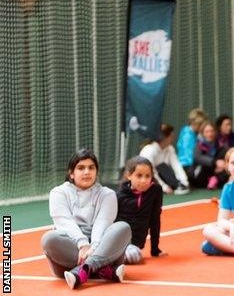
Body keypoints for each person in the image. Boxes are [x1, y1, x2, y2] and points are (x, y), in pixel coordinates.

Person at [41, 149, 131, 289]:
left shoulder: (107, 194)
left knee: (123, 227)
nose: (87, 172)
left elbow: (102, 222)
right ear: (71, 173)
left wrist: (93, 247)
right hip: (72, 251)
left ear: (96, 172)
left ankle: (84, 270)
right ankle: (104, 271)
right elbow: (64, 222)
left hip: (101, 245)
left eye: (91, 167)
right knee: (48, 239)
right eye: (81, 168)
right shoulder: (58, 193)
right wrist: (83, 244)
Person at [116, 156, 166, 264]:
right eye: (139, 176)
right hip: (117, 241)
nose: (143, 180)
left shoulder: (155, 191)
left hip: (134, 245)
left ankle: (112, 260)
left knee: (133, 256)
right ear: (129, 175)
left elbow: (155, 219)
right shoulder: (120, 195)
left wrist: (155, 249)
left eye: (147, 176)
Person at [139, 123, 190, 195]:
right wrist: (164, 187)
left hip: (161, 179)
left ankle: (178, 185)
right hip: (148, 180)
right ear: (164, 138)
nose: (173, 138)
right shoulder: (149, 150)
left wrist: (185, 182)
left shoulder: (170, 148)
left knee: (164, 167)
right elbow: (150, 173)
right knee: (161, 166)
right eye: (171, 136)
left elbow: (176, 165)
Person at [176, 108, 208, 183]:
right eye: (201, 124)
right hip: (187, 167)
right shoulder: (187, 135)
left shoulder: (193, 133)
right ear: (195, 123)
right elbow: (188, 155)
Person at [192, 121, 226, 189]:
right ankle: (213, 180)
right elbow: (197, 158)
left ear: (215, 132)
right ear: (202, 133)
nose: (210, 134)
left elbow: (228, 155)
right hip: (201, 176)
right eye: (207, 131)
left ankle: (215, 179)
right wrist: (215, 162)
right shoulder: (199, 145)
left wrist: (223, 164)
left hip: (217, 172)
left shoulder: (220, 144)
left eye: (212, 131)